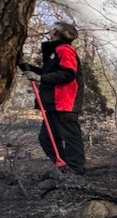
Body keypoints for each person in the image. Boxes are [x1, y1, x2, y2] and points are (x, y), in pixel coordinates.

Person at [19, 21, 86, 175]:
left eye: (51, 28)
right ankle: (65, 169)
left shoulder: (64, 49)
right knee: (46, 139)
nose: (49, 30)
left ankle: (76, 171)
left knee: (70, 138)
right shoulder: (56, 51)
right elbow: (47, 72)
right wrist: (24, 65)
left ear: (55, 31)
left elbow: (68, 74)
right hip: (53, 103)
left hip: (64, 103)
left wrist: (39, 77)